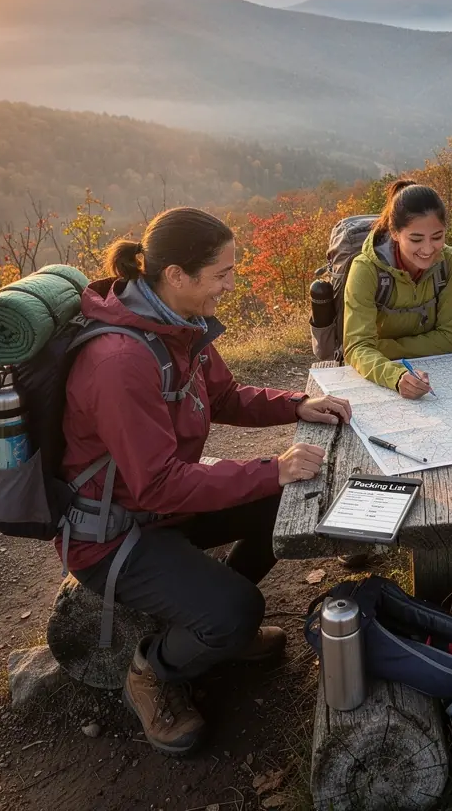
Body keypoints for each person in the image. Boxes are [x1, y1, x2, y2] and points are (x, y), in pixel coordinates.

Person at [60, 207, 352, 756]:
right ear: (176, 275)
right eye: (221, 274)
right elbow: (158, 485)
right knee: (239, 609)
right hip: (114, 536)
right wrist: (274, 466)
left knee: (283, 497)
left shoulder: (175, 326)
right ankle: (153, 672)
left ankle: (218, 630)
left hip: (158, 511)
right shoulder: (120, 360)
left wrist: (299, 405)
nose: (231, 284)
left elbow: (223, 396)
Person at [343, 179, 452, 398]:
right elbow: (357, 348)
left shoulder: (451, 262)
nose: (428, 249)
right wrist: (396, 376)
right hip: (379, 378)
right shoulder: (365, 269)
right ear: (394, 233)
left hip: (431, 374)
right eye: (416, 239)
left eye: (437, 237)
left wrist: (379, 347)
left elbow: (449, 340)